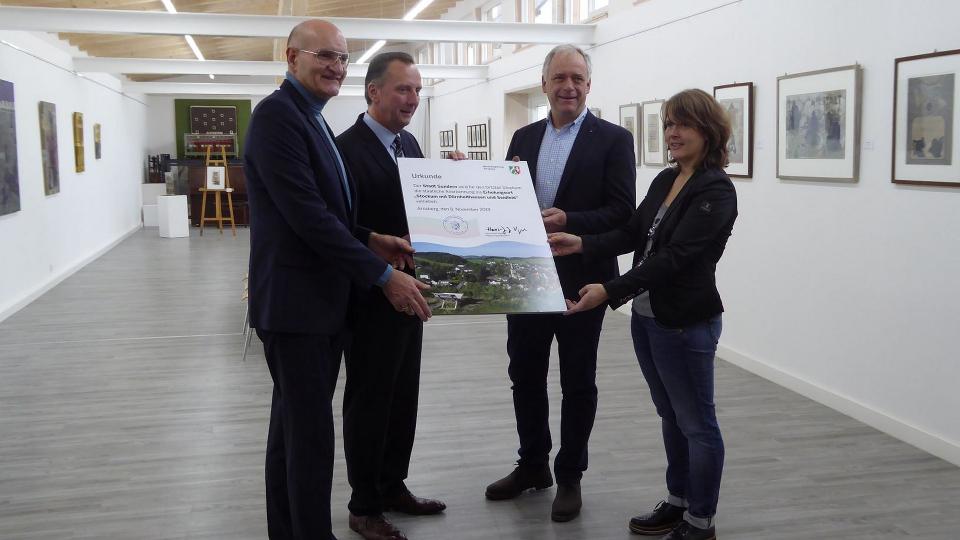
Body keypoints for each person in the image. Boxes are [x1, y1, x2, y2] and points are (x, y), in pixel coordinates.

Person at [244, 20, 432, 540]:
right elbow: (306, 217)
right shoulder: (278, 118)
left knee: (292, 434)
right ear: (291, 57)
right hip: (296, 307)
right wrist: (381, 274)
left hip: (317, 304)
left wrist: (371, 238)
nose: (335, 67)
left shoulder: (310, 117)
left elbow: (324, 211)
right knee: (308, 439)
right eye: (324, 55)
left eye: (342, 58)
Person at [548, 88, 738, 540]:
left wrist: (609, 290)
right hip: (650, 317)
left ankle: (700, 520)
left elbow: (673, 257)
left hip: (686, 322)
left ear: (708, 130)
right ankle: (678, 500)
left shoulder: (715, 190)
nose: (672, 133)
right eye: (668, 123)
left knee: (698, 424)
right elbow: (634, 233)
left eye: (683, 124)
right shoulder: (665, 180)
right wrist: (581, 242)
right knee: (671, 416)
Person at [484, 44, 636, 522]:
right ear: (544, 83)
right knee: (524, 376)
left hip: (582, 281)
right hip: (524, 277)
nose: (568, 86)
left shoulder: (613, 139)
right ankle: (533, 465)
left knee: (577, 382)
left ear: (588, 85)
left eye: (577, 78)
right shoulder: (524, 137)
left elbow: (622, 212)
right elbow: (504, 204)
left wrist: (570, 218)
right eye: (559, 78)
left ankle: (570, 475)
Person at [335, 52, 458, 540]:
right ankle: (364, 505)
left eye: (417, 90)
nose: (412, 99)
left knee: (402, 395)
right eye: (403, 89)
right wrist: (380, 271)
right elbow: (338, 225)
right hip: (370, 296)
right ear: (373, 92)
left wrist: (457, 181)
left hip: (411, 293)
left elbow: (423, 214)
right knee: (369, 399)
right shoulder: (346, 149)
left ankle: (392, 486)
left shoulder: (409, 145)